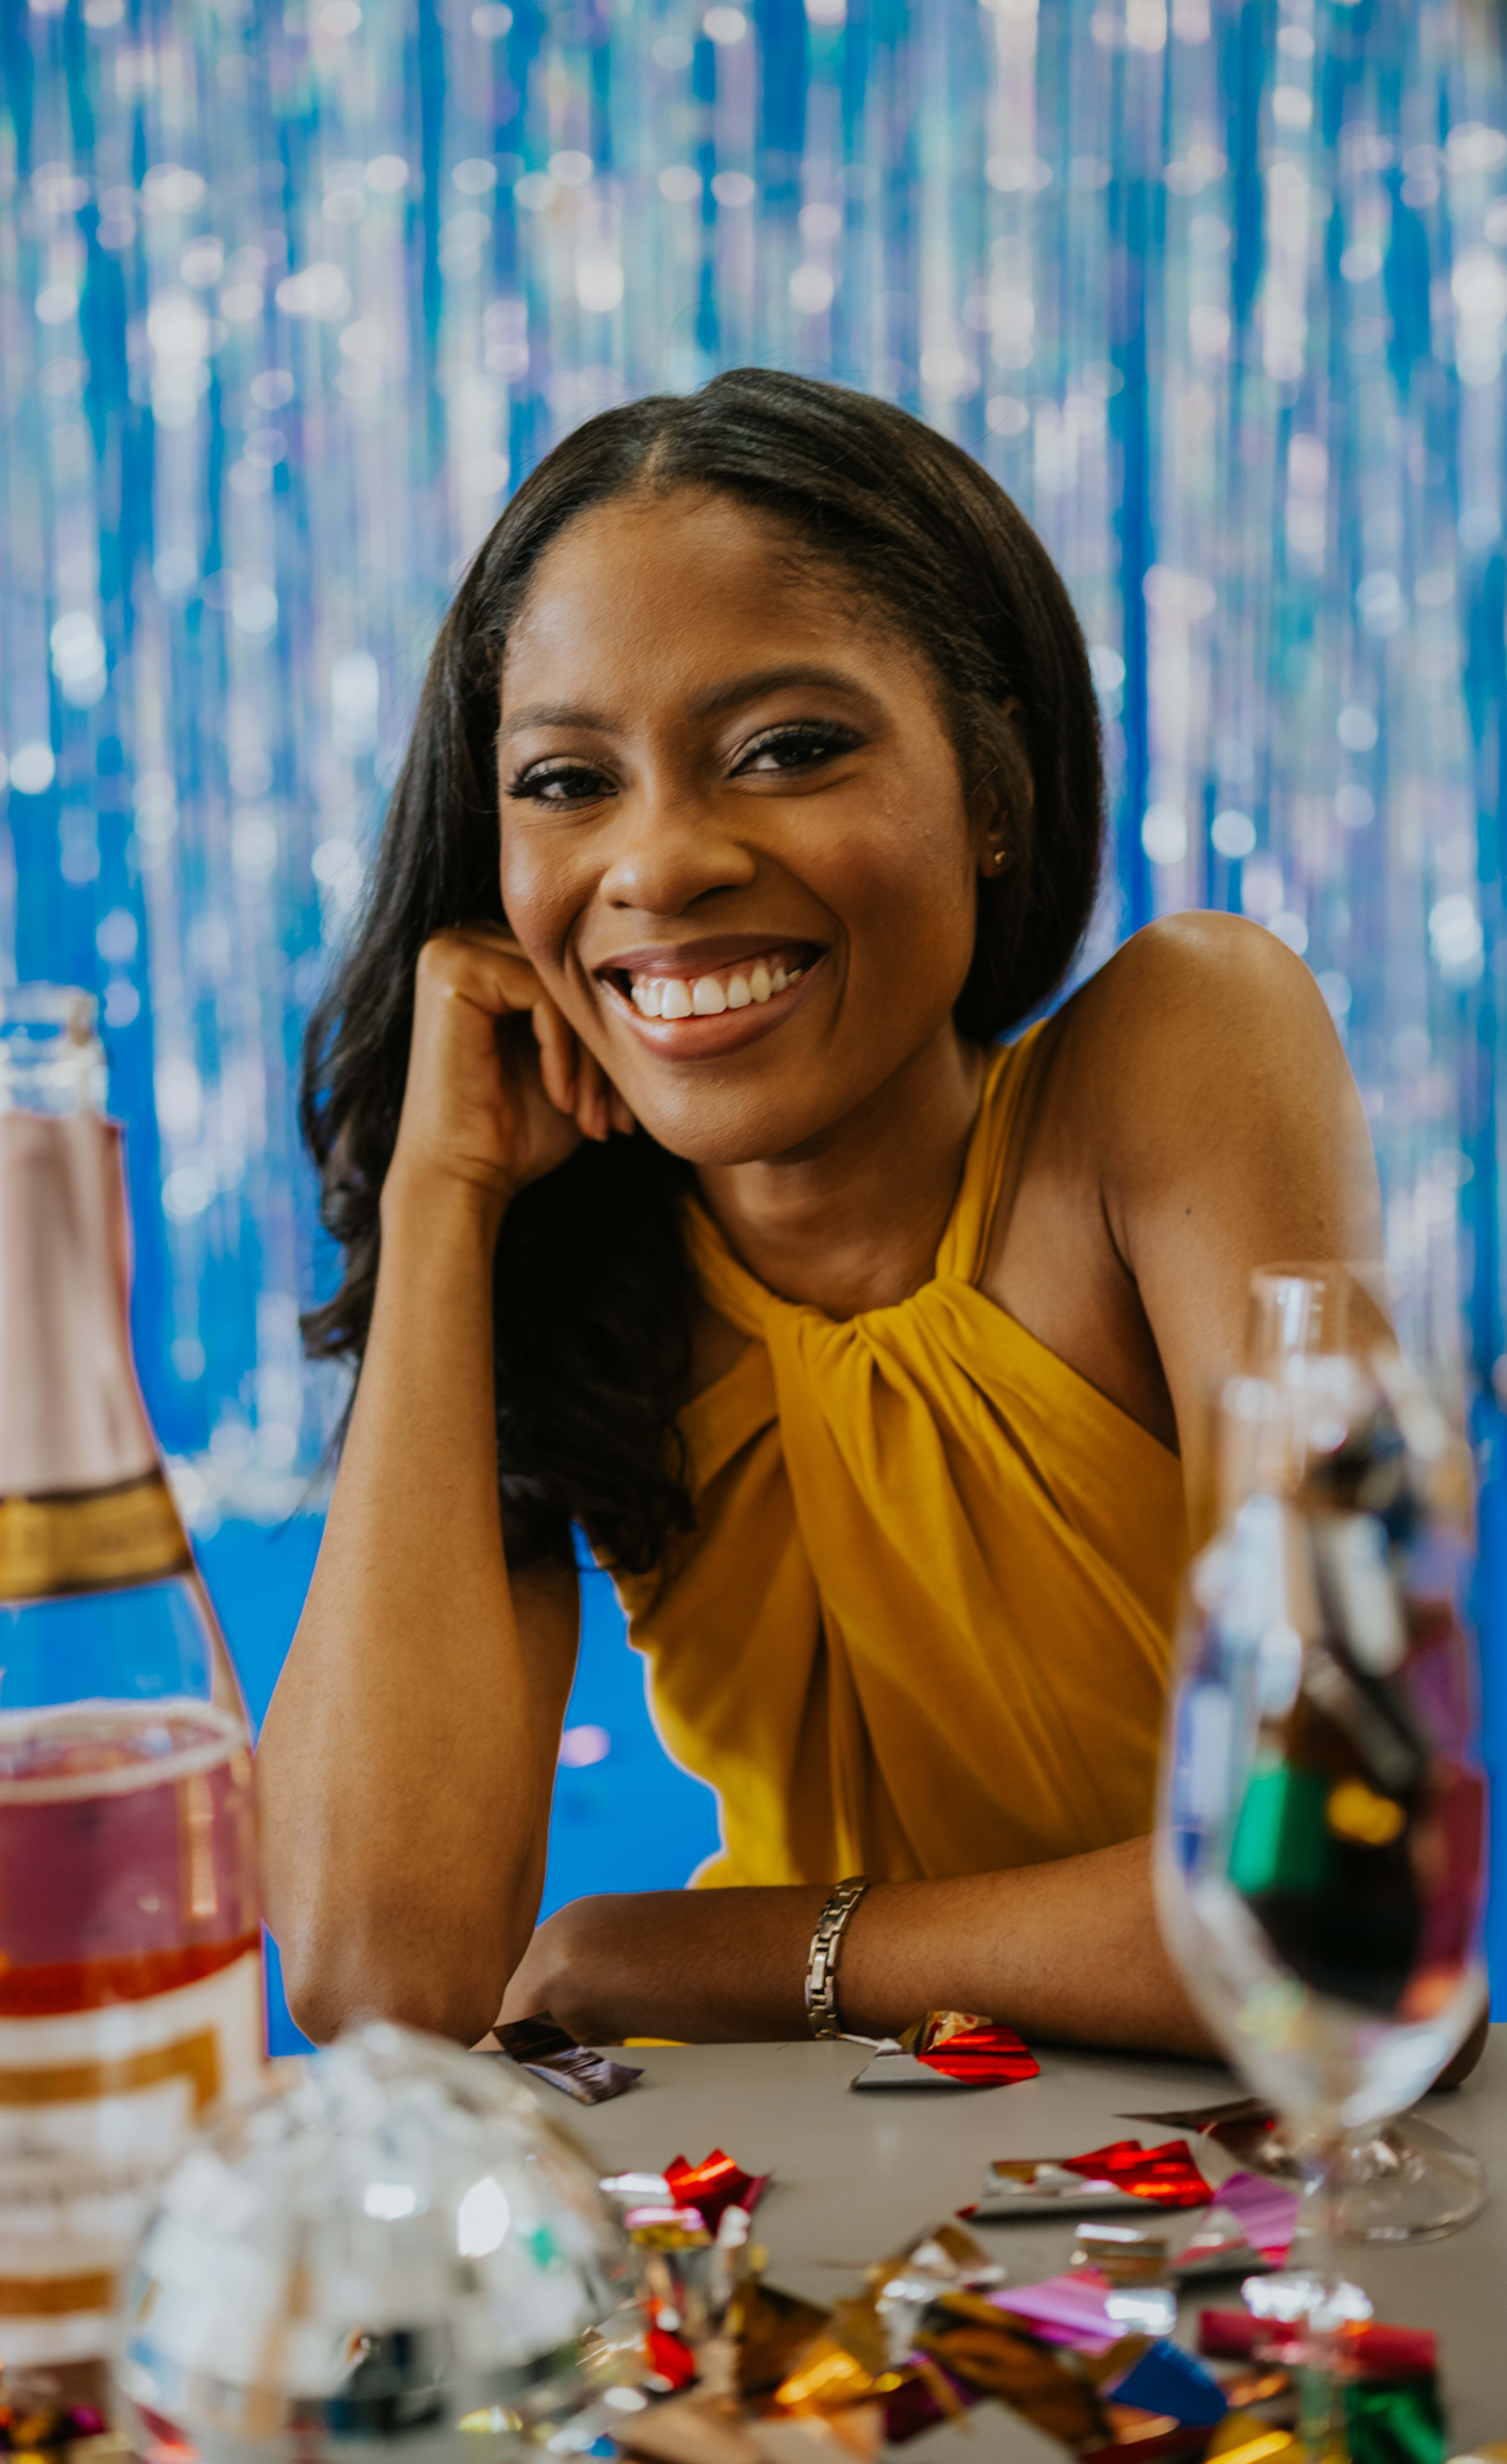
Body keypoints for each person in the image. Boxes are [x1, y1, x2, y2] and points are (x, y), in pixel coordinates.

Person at [258, 369, 1381, 2053]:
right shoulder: (578, 1268)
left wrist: (717, 1953)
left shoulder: (1177, 1059)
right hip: (780, 2234)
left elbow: (1326, 1906)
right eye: (570, 780)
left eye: (786, 749)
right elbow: (382, 1978)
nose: (661, 862)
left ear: (992, 789)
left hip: (1234, 2222)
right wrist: (441, 1200)